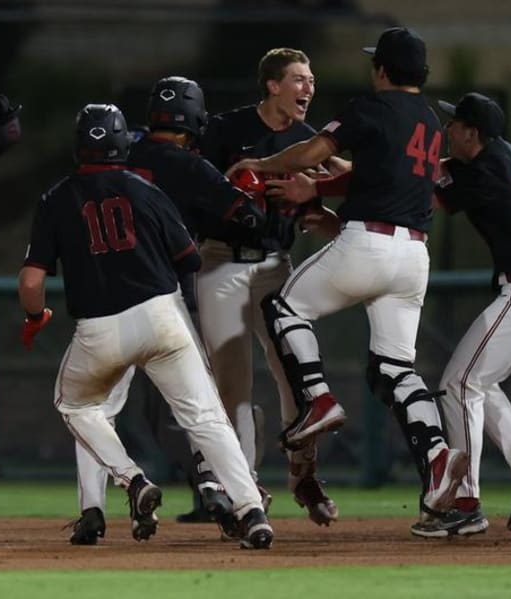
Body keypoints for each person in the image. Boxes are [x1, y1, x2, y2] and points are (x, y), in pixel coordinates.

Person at [227, 27, 468, 525]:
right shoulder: (427, 119)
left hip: (370, 242)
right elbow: (378, 173)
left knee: (283, 307)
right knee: (396, 370)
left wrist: (262, 162)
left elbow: (311, 154)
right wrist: (321, 192)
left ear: (382, 69)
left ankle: (318, 400)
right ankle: (443, 469)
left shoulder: (370, 108)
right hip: (414, 256)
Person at [18, 103, 273, 550]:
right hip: (163, 317)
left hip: (100, 329)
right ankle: (251, 511)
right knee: (207, 418)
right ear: (122, 142)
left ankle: (120, 490)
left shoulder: (56, 198)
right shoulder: (145, 189)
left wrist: (35, 317)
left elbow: (31, 281)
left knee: (81, 409)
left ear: (78, 144)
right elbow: (190, 261)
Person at [408, 92, 511, 537]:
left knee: (458, 384)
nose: (448, 129)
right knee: (475, 382)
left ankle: (466, 503)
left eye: (455, 124)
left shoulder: (489, 170)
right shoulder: (497, 155)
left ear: (472, 134)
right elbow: (437, 170)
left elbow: (428, 192)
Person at [197, 47, 346, 527]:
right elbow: (196, 189)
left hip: (276, 265)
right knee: (231, 385)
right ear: (272, 85)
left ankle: (303, 475)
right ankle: (245, 492)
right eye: (299, 79)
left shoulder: (309, 141)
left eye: (312, 80)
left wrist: (317, 214)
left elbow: (317, 206)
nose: (309, 88)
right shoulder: (224, 129)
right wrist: (233, 188)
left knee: (295, 377)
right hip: (220, 261)